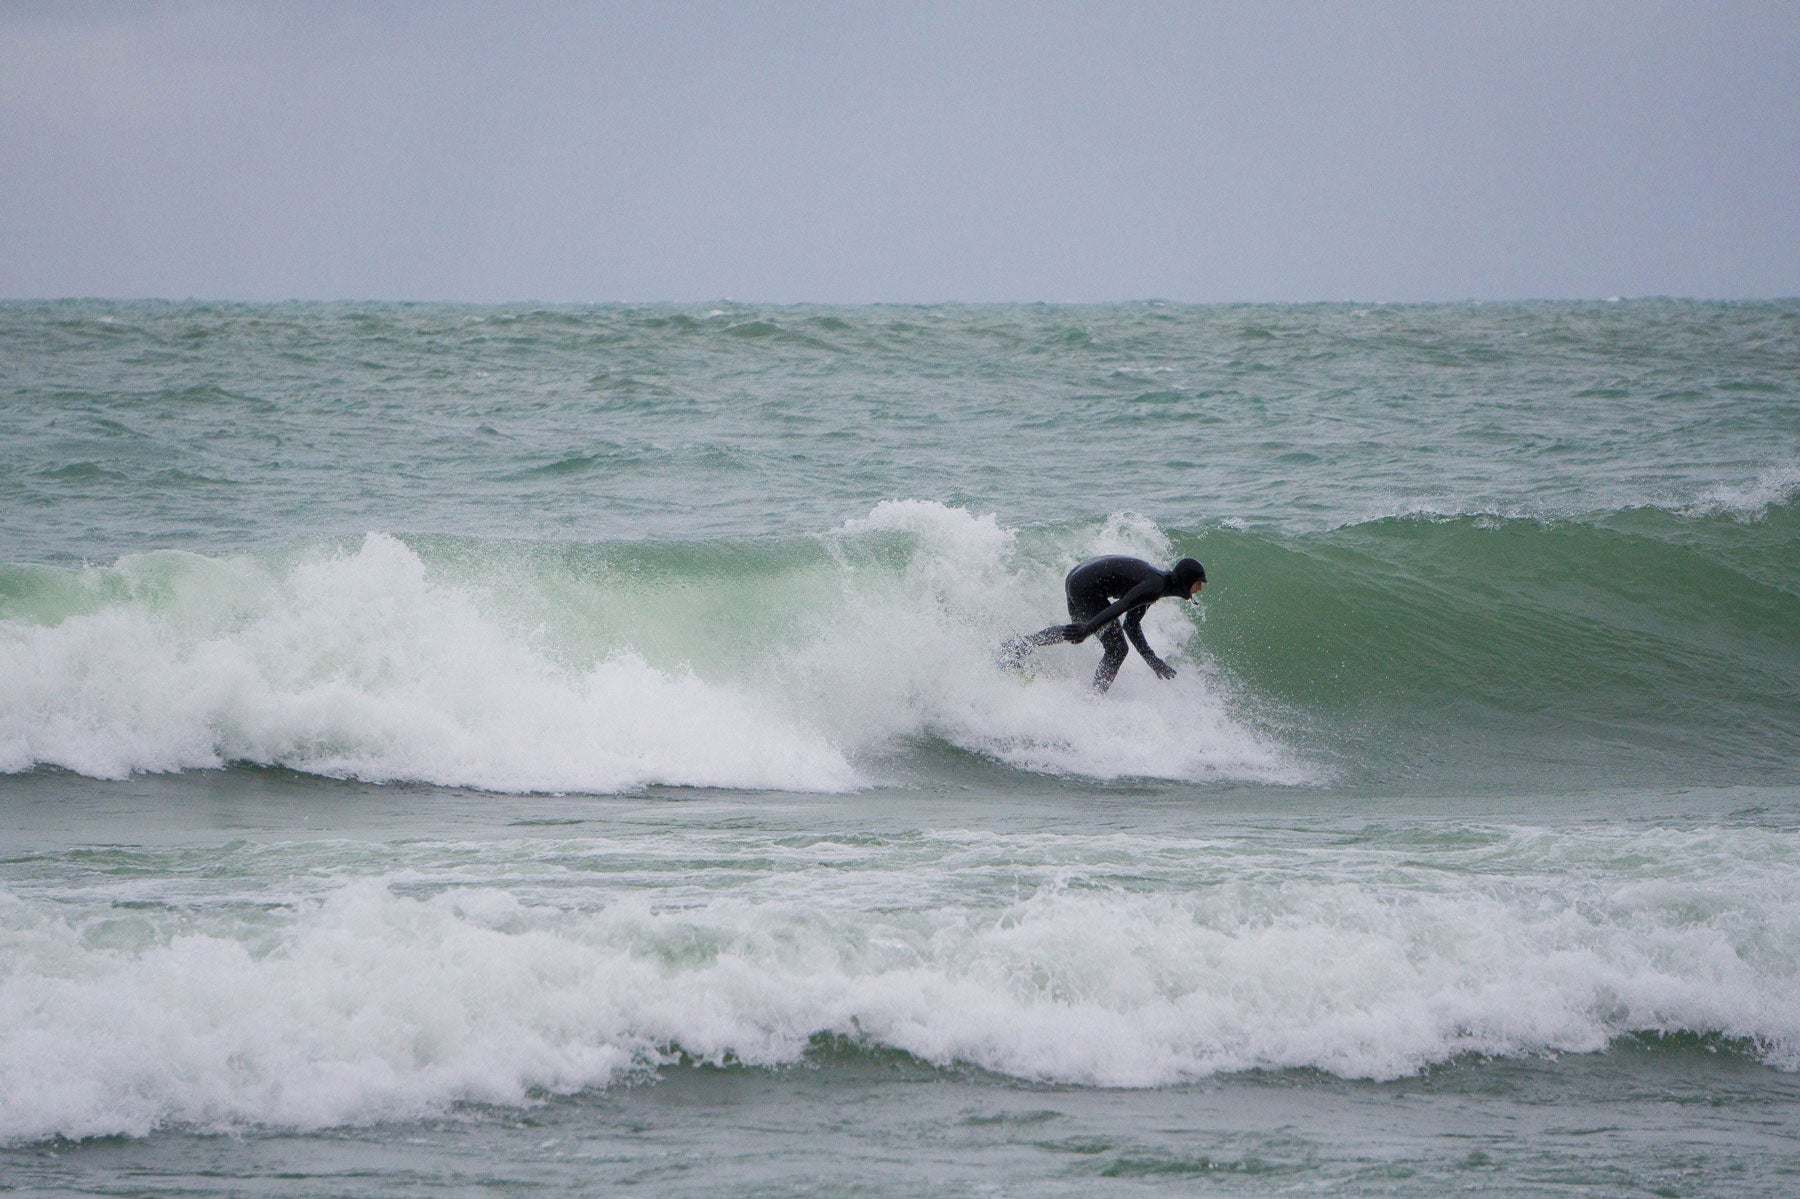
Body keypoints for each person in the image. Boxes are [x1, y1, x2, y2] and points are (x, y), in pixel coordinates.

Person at [1000, 556, 1207, 693]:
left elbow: (1131, 625)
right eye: (1198, 582)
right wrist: (1089, 629)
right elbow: (1123, 605)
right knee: (1117, 648)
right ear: (1185, 580)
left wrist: (1152, 660)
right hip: (1086, 585)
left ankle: (1020, 644)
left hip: (1078, 578)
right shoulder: (1155, 586)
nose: (1199, 588)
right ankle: (1095, 697)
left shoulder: (1156, 586)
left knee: (1078, 633)